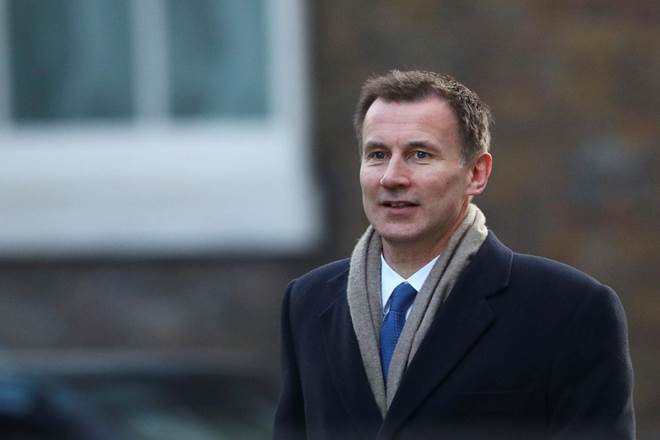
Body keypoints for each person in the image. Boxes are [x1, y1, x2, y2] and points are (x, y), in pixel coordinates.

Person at [273, 70, 635, 439]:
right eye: (378, 154)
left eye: (420, 154)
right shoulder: (307, 302)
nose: (392, 177)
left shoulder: (569, 310)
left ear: (477, 173)